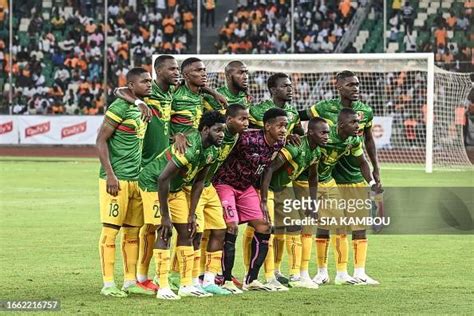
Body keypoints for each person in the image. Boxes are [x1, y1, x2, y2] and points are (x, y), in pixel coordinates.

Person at [114, 55, 188, 293]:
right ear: (158, 71)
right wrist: (139, 103)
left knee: (154, 226)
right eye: (172, 69)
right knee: (149, 226)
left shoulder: (170, 93)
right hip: (144, 168)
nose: (176, 72)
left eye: (178, 68)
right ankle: (140, 276)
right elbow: (119, 90)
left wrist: (174, 135)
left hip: (160, 163)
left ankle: (146, 276)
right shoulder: (149, 89)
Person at [138, 111, 226, 299]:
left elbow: (199, 182)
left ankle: (186, 285)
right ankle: (163, 286)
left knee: (187, 231)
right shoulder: (190, 146)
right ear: (205, 129)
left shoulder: (213, 150)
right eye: (217, 130)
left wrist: (192, 214)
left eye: (223, 131)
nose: (221, 135)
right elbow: (162, 178)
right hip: (153, 183)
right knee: (165, 230)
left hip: (176, 188)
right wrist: (165, 215)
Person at [213, 108, 288, 291]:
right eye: (280, 125)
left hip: (245, 188)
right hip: (225, 184)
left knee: (264, 225)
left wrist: (263, 198)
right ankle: (226, 279)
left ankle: (251, 279)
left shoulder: (280, 143)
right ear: (267, 126)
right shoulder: (246, 139)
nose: (284, 130)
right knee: (231, 226)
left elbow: (267, 169)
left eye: (285, 126)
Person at [96, 67, 152, 297]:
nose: (149, 85)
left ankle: (130, 281)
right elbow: (100, 141)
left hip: (136, 179)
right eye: (144, 82)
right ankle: (108, 284)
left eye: (150, 81)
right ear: (132, 85)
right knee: (110, 231)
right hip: (115, 180)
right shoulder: (119, 107)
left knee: (133, 232)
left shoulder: (144, 106)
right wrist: (110, 174)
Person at [246, 72, 304, 290]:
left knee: (284, 226)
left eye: (290, 85)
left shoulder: (293, 114)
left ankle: (279, 271)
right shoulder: (258, 111)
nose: (289, 89)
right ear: (272, 89)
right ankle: (258, 274)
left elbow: (297, 133)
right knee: (258, 228)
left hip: (279, 178)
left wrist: (293, 135)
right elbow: (247, 132)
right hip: (258, 177)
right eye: (284, 86)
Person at [259, 117, 330, 289]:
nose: (327, 136)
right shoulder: (296, 146)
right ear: (310, 132)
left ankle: (295, 275)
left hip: (282, 188)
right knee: (267, 231)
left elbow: (313, 176)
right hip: (266, 188)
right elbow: (269, 168)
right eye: (323, 132)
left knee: (294, 226)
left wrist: (313, 203)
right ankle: (269, 276)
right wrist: (263, 198)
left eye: (327, 132)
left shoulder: (317, 152)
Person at [196, 103, 250, 295]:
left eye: (247, 119)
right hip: (194, 186)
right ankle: (189, 278)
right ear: (228, 120)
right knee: (194, 232)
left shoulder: (234, 134)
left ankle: (210, 280)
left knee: (220, 229)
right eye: (242, 119)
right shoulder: (209, 136)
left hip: (209, 185)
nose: (246, 123)